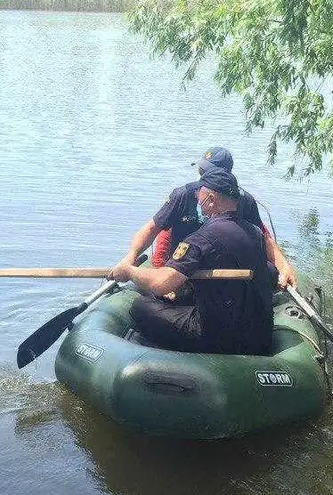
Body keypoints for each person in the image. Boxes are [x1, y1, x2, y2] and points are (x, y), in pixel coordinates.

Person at [110, 165, 276, 355]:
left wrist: (129, 271)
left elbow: (161, 284)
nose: (199, 202)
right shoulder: (256, 233)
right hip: (260, 338)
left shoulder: (203, 238)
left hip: (216, 338)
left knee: (141, 307)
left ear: (211, 199)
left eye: (200, 198)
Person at [115, 146, 297, 290]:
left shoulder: (243, 201)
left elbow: (263, 238)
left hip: (226, 275)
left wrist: (284, 266)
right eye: (201, 169)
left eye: (207, 171)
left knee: (268, 275)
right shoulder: (183, 195)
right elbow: (151, 228)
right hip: (183, 272)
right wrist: (131, 257)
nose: (201, 175)